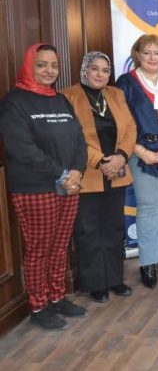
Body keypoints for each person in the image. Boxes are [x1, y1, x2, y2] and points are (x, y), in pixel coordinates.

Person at [0, 44, 87, 330]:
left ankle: (57, 297)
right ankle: (39, 306)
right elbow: (23, 149)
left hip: (68, 185)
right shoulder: (14, 103)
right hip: (35, 187)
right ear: (29, 66)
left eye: (54, 65)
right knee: (39, 248)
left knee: (60, 246)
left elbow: (79, 139)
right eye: (41, 65)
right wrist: (62, 174)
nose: (49, 71)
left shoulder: (60, 100)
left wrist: (77, 171)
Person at [61, 52, 137, 303]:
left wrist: (121, 157)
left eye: (105, 70)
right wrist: (101, 161)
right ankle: (96, 284)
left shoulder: (116, 94)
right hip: (88, 174)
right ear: (85, 69)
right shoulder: (67, 97)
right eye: (95, 68)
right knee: (88, 230)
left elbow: (130, 128)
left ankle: (115, 279)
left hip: (117, 171)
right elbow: (73, 136)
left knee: (114, 229)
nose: (100, 74)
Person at [116, 34, 158, 289]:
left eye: (157, 53)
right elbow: (121, 122)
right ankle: (148, 262)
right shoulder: (126, 83)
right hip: (141, 152)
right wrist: (141, 152)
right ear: (137, 55)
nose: (152, 58)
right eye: (146, 52)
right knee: (148, 207)